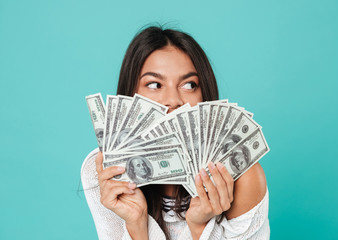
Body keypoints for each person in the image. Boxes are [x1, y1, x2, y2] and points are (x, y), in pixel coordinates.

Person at [81, 26, 269, 240]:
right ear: (130, 96)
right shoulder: (106, 174)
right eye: (154, 84)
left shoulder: (242, 178)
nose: (174, 101)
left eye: (189, 85)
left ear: (205, 96)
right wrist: (137, 225)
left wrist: (201, 228)